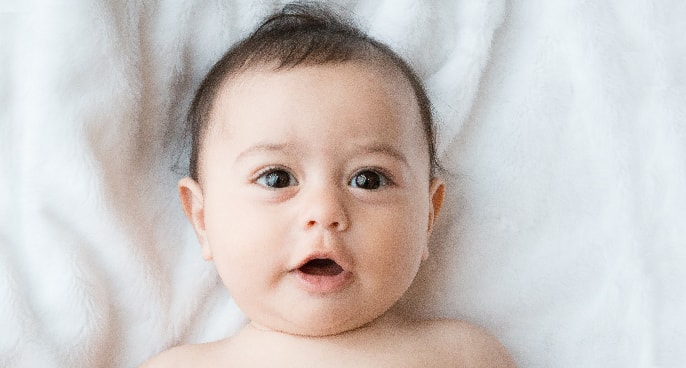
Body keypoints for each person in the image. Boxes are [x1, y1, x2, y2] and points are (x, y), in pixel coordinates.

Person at [145, 3, 515, 366]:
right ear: (202, 218)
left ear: (428, 217)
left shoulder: (463, 354)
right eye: (277, 178)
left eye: (368, 180)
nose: (325, 211)